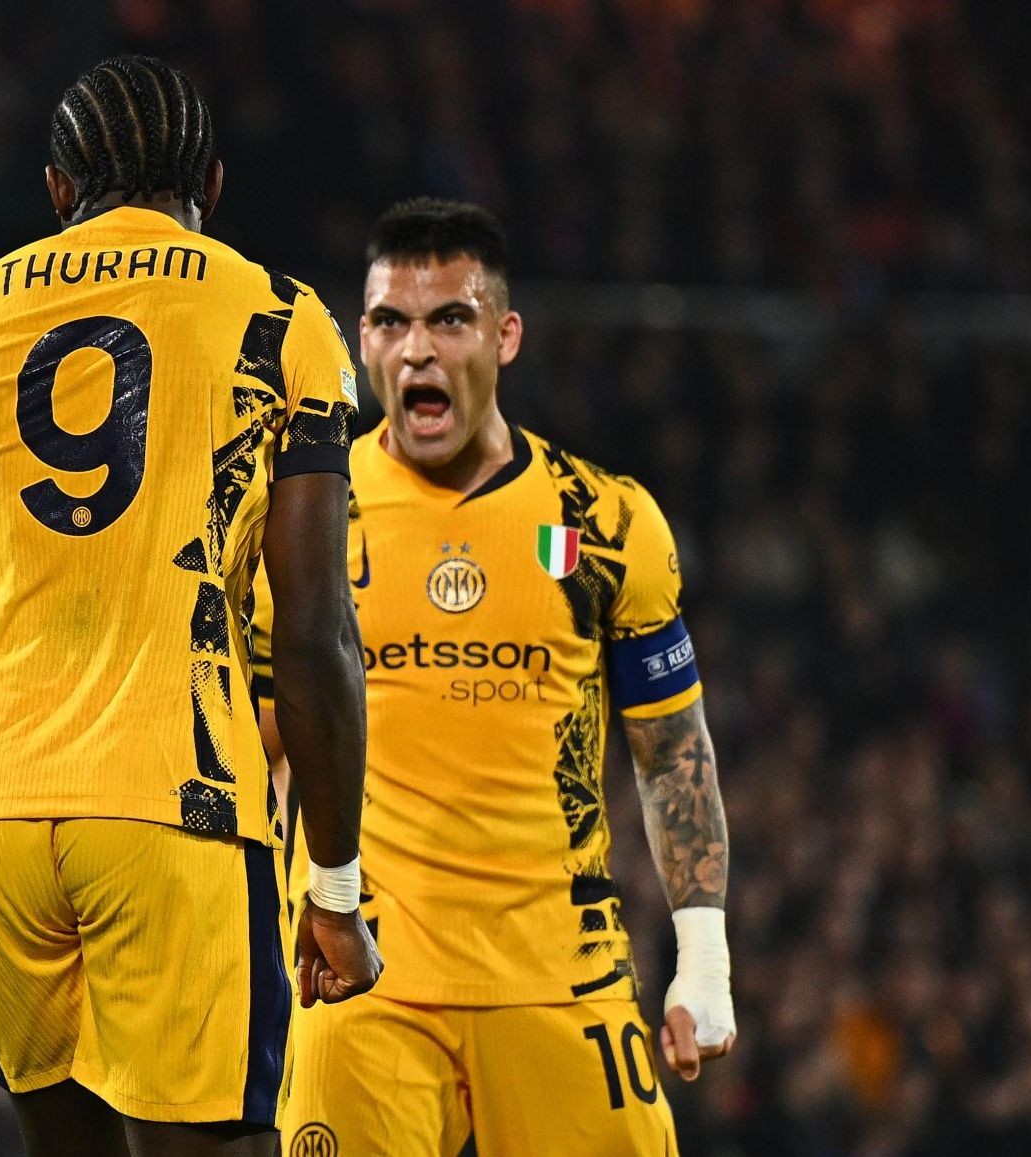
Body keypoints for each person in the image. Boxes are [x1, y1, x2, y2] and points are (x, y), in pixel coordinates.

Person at [0, 55, 381, 1157]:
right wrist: (335, 888)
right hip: (175, 802)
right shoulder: (279, 318)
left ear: (58, 189)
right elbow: (312, 637)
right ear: (212, 182)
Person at [253, 199, 737, 1156]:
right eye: (389, 321)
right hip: (362, 977)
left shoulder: (603, 522)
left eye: (449, 319)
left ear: (504, 336)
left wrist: (705, 957)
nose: (417, 350)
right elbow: (259, 749)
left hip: (559, 975)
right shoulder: (305, 521)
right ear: (362, 340)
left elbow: (671, 750)